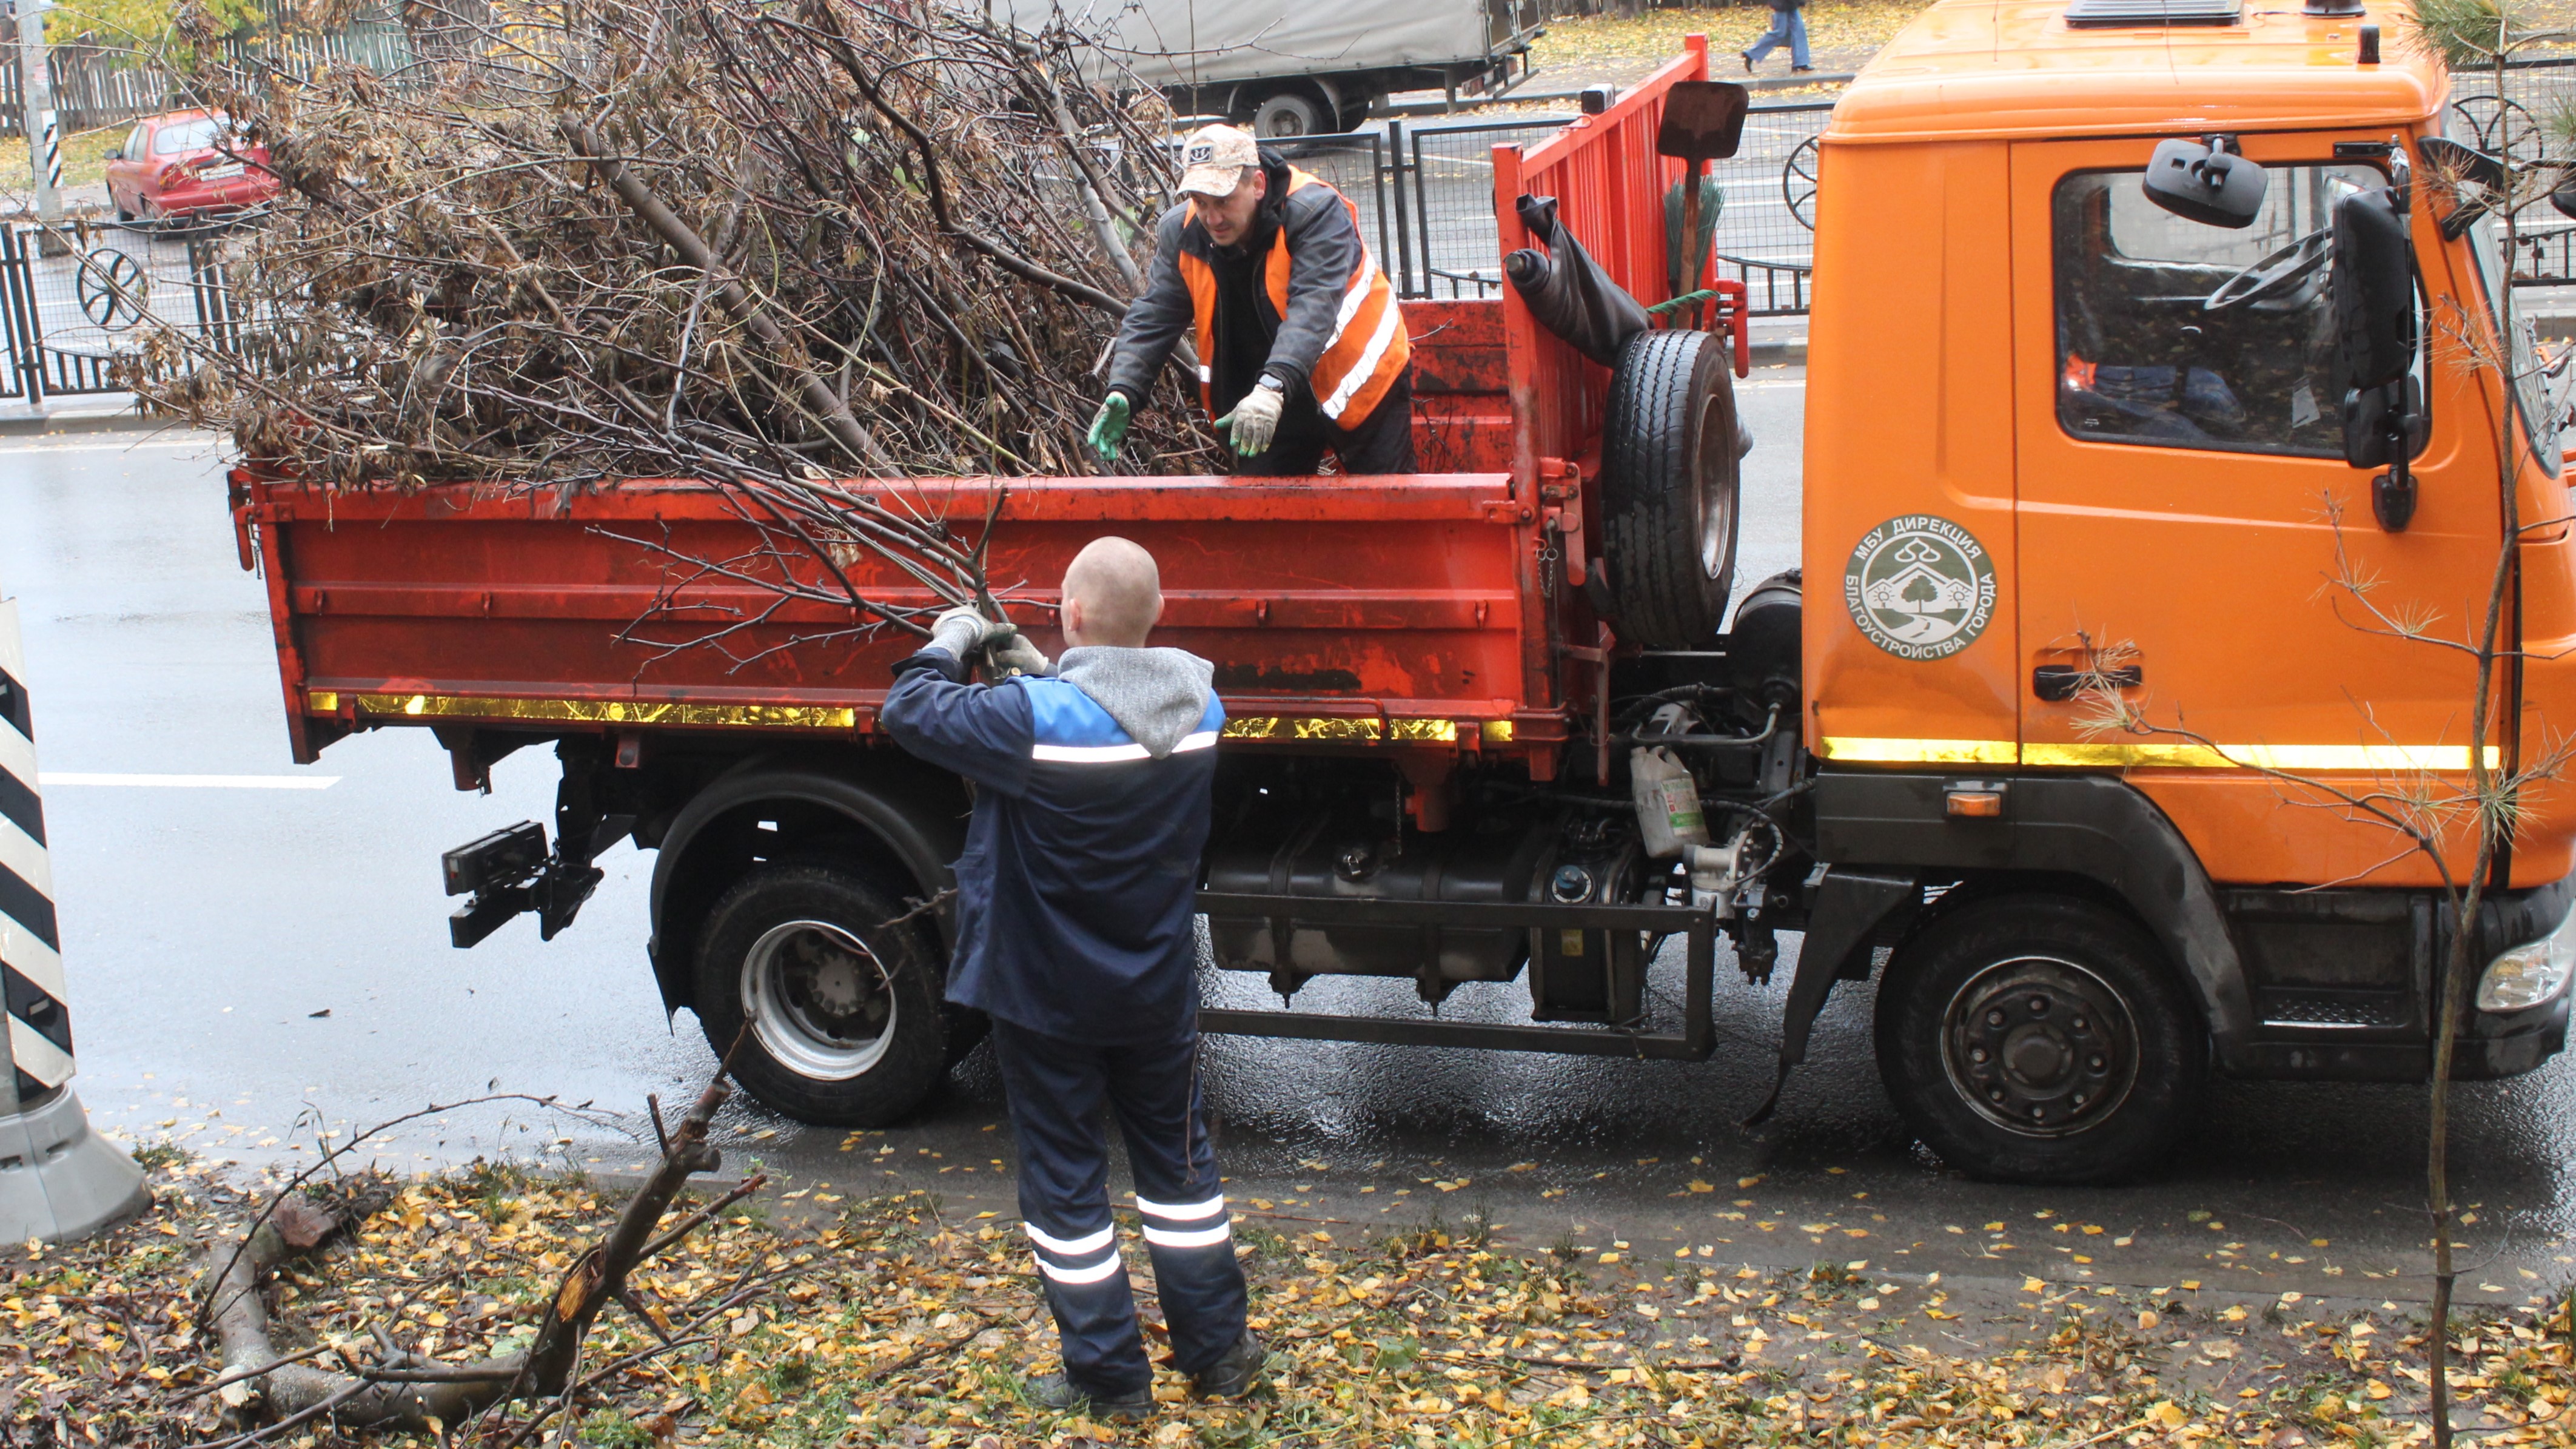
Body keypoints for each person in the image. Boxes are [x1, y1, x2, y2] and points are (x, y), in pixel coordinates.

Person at [878, 537, 1262, 1419]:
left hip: (1047, 996)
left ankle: (1110, 1378)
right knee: (1181, 1176)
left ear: (1073, 612)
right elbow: (1115, 711)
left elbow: (912, 708)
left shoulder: (1029, 719)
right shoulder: (1204, 707)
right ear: (1157, 616)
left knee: (1066, 1187)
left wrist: (953, 637)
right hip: (1155, 991)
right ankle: (1221, 1356)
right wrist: (1055, 670)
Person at [1087, 124, 1417, 475]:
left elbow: (1314, 307)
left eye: (1225, 201)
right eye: (1200, 202)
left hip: (1358, 375)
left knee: (1386, 506)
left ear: (1258, 184)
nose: (1212, 219)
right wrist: (1125, 387)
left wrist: (1273, 386)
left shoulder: (1314, 212)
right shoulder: (1182, 232)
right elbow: (1154, 316)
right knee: (1268, 511)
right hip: (1266, 392)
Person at [1742, 0, 1814, 75]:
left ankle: (1800, 62)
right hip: (1781, 4)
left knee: (1799, 29)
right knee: (1779, 32)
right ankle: (1751, 54)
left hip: (1791, 4)